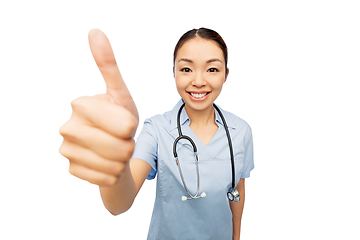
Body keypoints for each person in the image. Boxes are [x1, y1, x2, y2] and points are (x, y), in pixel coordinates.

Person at [59, 27, 254, 240]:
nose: (198, 81)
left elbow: (237, 191)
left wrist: (236, 237)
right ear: (174, 73)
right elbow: (119, 203)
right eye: (186, 69)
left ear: (226, 74)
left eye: (212, 69)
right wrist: (114, 169)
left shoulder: (240, 131)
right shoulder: (156, 129)